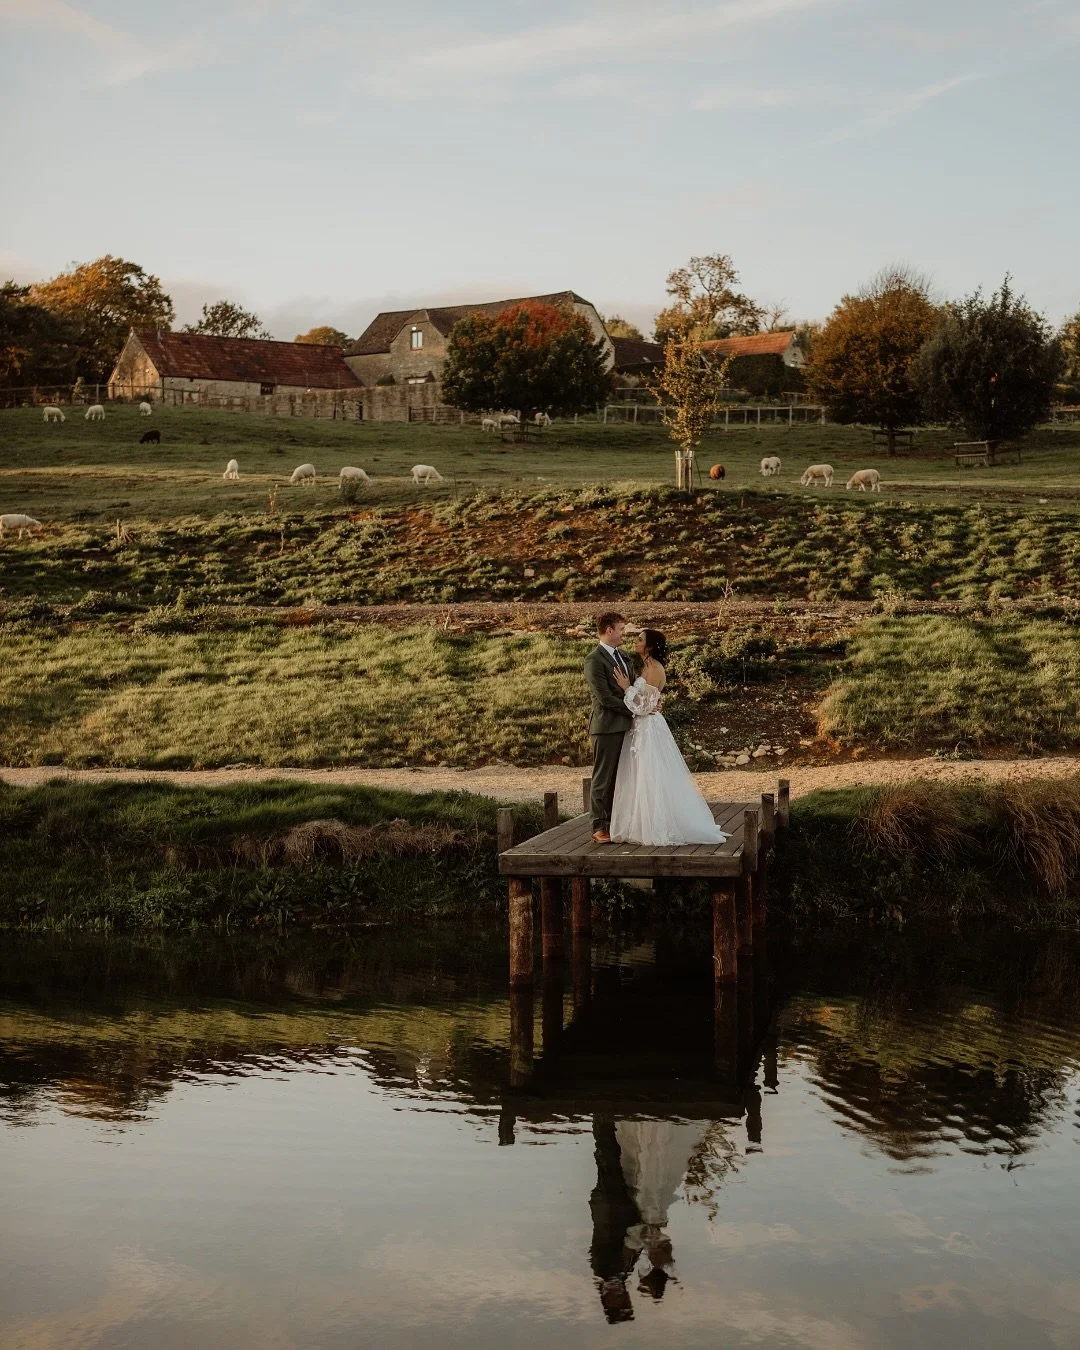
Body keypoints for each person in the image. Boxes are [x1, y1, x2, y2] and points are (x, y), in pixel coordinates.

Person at [608, 629, 730, 846]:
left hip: (648, 728)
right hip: (640, 727)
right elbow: (648, 701)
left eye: (640, 640)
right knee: (639, 774)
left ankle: (654, 826)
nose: (635, 642)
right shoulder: (647, 666)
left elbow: (644, 707)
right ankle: (638, 824)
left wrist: (627, 688)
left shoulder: (655, 669)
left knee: (651, 774)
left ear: (650, 647)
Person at [583, 612, 635, 844]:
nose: (625, 633)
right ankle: (598, 827)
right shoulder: (594, 659)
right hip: (606, 727)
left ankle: (615, 823)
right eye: (622, 629)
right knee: (602, 778)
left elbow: (630, 686)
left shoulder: (623, 656)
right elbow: (603, 698)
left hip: (625, 726)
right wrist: (635, 708)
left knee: (619, 778)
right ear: (609, 630)